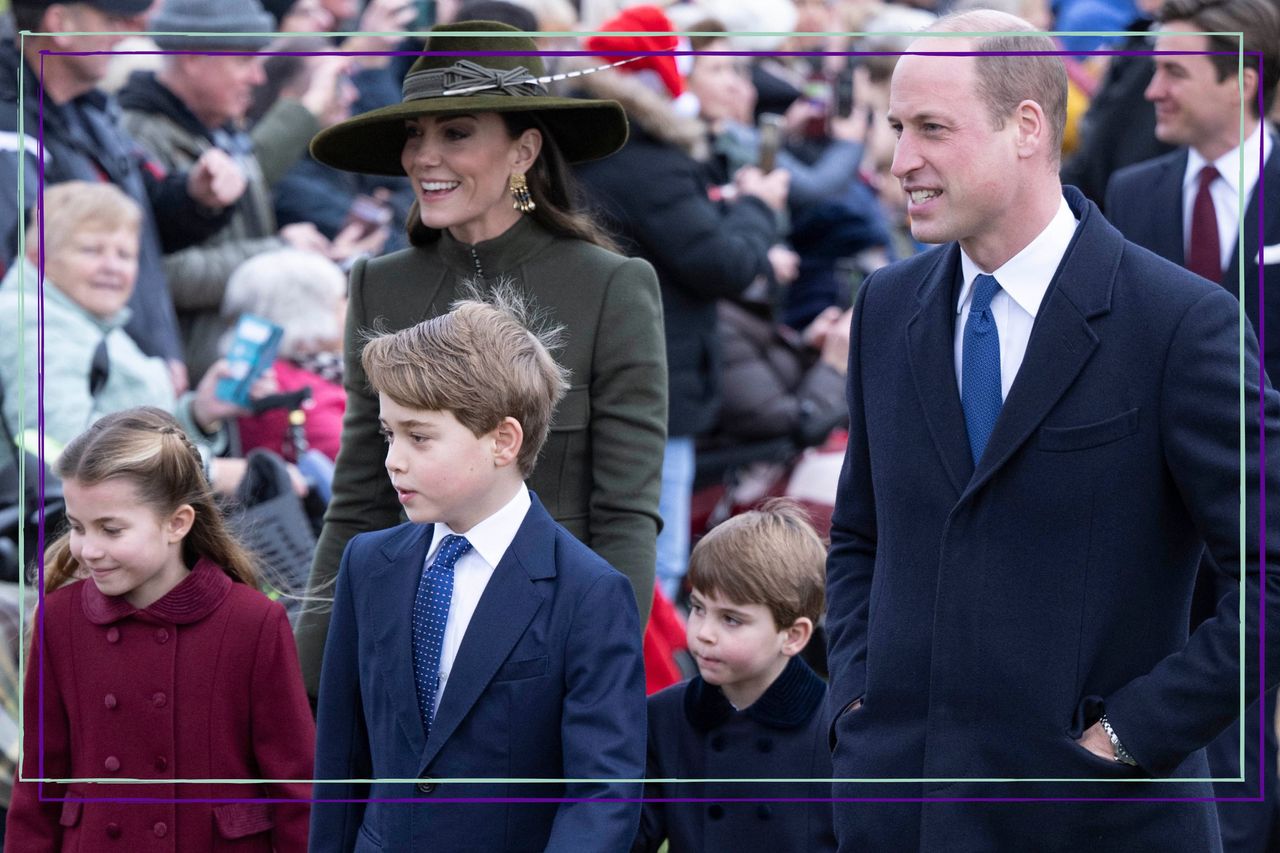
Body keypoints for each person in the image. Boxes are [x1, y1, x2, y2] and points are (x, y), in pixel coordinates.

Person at [824, 10, 1280, 852]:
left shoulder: (1179, 325)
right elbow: (859, 537)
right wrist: (857, 700)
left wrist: (1131, 734)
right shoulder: (888, 308)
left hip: (1098, 820)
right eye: (897, 128)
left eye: (932, 128)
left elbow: (1271, 573)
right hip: (900, 813)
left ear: (1027, 126)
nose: (900, 162)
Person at [296, 19, 666, 699]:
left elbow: (625, 515)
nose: (423, 156)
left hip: (543, 649)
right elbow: (357, 503)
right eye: (415, 134)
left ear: (523, 150)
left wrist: (599, 676)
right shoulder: (381, 284)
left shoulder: (611, 287)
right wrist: (307, 685)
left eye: (456, 132)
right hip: (406, 653)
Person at [310, 295, 645, 852]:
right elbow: (343, 758)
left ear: (503, 441)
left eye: (419, 437)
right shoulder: (369, 564)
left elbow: (601, 792)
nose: (394, 458)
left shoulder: (588, 592)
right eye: (388, 434)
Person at [1104, 1, 1280, 849]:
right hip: (1147, 517)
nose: (1153, 90)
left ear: (1242, 82)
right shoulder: (1131, 194)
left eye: (1175, 71)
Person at [4, 407, 314, 852]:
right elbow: (37, 784)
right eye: (76, 527)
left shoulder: (252, 622)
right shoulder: (60, 619)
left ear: (177, 523)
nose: (88, 549)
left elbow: (295, 785)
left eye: (111, 530)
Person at [571, 5, 786, 603]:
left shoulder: (584, 148)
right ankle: (642, 687)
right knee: (653, 561)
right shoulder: (649, 161)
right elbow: (722, 263)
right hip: (653, 381)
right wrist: (758, 207)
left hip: (600, 371)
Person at [0, 0, 247, 394]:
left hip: (128, 377)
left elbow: (143, 223)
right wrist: (138, 364)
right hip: (69, 383)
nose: (123, 33)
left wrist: (195, 195)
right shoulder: (9, 125)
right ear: (59, 23)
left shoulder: (95, 113)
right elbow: (29, 256)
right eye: (111, 19)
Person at [117, 0, 346, 383]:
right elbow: (158, 273)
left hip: (231, 365)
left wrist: (307, 111)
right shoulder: (141, 136)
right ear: (193, 58)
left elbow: (253, 172)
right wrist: (278, 254)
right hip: (197, 377)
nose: (258, 78)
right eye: (244, 61)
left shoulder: (213, 126)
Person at [0, 182, 268, 495]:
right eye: (91, 250)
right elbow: (57, 446)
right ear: (37, 258)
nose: (112, 267)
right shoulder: (31, 319)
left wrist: (197, 413)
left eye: (125, 255)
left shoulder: (88, 319)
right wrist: (204, 469)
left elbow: (126, 427)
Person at [635, 498, 836, 853]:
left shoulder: (836, 730)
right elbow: (631, 835)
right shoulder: (665, 717)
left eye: (731, 619)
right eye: (697, 608)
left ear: (793, 636)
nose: (703, 633)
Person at [223, 248, 348, 464]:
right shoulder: (274, 386)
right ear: (308, 315)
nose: (349, 309)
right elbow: (350, 456)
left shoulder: (318, 367)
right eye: (340, 302)